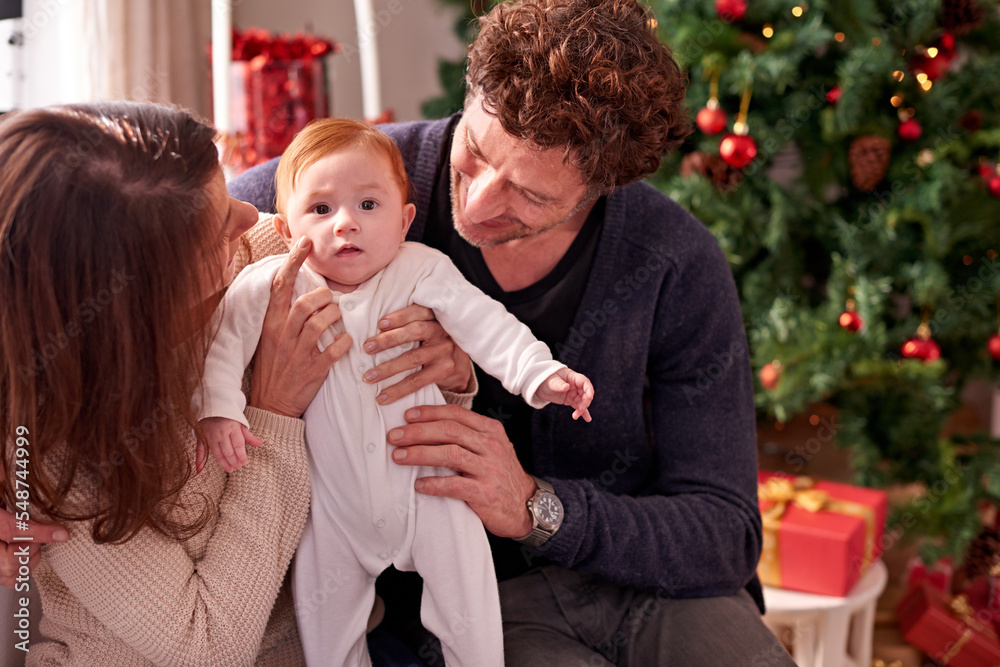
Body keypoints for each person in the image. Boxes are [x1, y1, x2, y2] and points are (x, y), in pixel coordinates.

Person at [228, 0, 797, 664]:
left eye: (530, 196)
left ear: (603, 188)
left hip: (662, 590)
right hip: (481, 609)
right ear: (469, 97)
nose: (477, 204)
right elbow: (163, 254)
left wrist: (536, 506)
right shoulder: (351, 184)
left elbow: (725, 534)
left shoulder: (673, 261)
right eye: (474, 153)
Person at [0, 102, 469, 665]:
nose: (251, 214)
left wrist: (451, 370)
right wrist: (273, 412)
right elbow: (209, 646)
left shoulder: (277, 255)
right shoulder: (60, 444)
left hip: (350, 641)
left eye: (225, 193)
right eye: (220, 227)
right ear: (148, 294)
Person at [197, 117, 593, 666]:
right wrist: (218, 410)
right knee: (326, 626)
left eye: (368, 205)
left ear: (404, 220)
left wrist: (539, 373)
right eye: (320, 210)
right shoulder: (271, 283)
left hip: (428, 489)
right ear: (287, 232)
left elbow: (488, 326)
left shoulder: (421, 270)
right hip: (331, 505)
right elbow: (224, 347)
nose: (345, 226)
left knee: (468, 600)